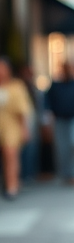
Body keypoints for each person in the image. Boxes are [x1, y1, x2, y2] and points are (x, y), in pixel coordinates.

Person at [44, 62, 74, 185]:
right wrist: (48, 118)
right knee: (62, 148)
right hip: (60, 120)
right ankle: (65, 173)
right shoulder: (55, 85)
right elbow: (47, 102)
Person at [0, 57, 34, 199]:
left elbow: (22, 111)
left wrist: (25, 129)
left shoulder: (16, 86)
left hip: (11, 126)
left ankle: (12, 186)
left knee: (11, 156)